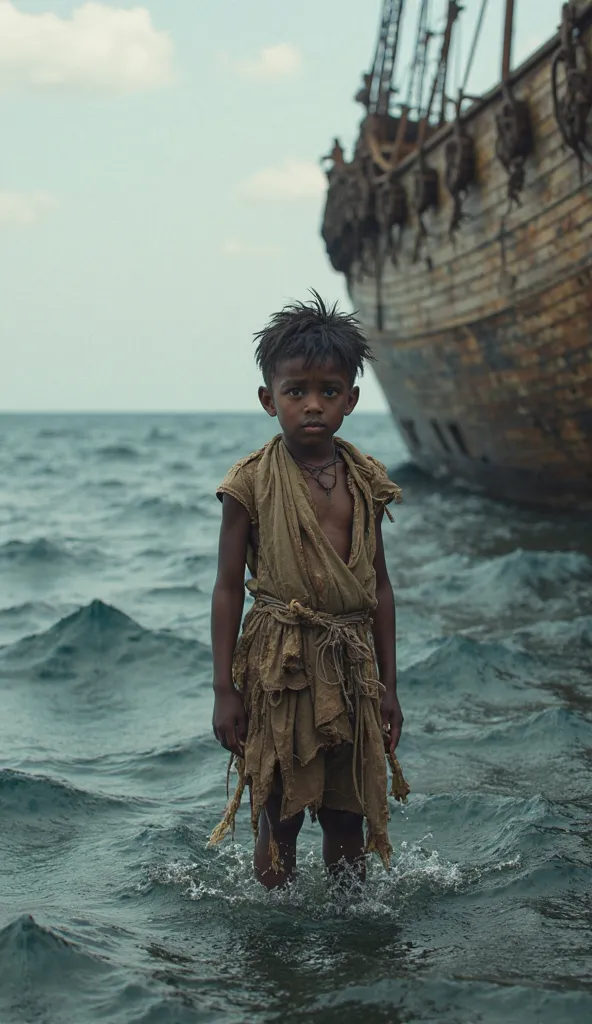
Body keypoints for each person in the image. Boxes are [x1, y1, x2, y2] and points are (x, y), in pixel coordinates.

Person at [208, 292, 409, 889]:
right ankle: (274, 934)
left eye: (328, 391)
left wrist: (390, 687)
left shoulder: (366, 480)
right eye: (296, 392)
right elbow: (225, 590)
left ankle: (350, 929)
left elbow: (379, 585)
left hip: (351, 665)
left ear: (351, 397)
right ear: (269, 400)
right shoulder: (248, 482)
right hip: (280, 666)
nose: (312, 406)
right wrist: (224, 689)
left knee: (348, 814)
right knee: (281, 812)